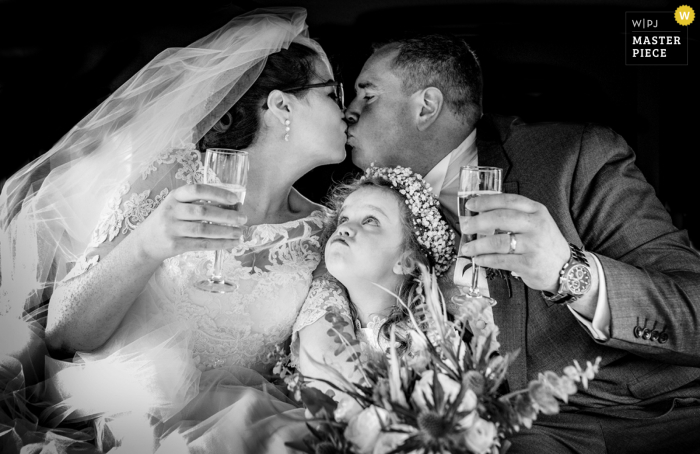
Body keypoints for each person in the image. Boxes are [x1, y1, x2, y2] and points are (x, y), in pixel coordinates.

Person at [0, 8, 346, 453]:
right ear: (282, 106)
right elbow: (64, 335)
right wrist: (148, 245)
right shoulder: (171, 180)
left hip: (230, 432)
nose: (347, 110)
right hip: (113, 414)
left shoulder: (326, 230)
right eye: (333, 93)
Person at [337, 34, 700, 452]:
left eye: (368, 96)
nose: (349, 112)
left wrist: (568, 272)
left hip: (632, 417)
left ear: (426, 107)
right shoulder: (359, 207)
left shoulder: (573, 159)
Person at [290, 165, 456, 389]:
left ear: (407, 261)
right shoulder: (316, 314)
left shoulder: (430, 343)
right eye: (343, 218)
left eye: (371, 221)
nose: (346, 227)